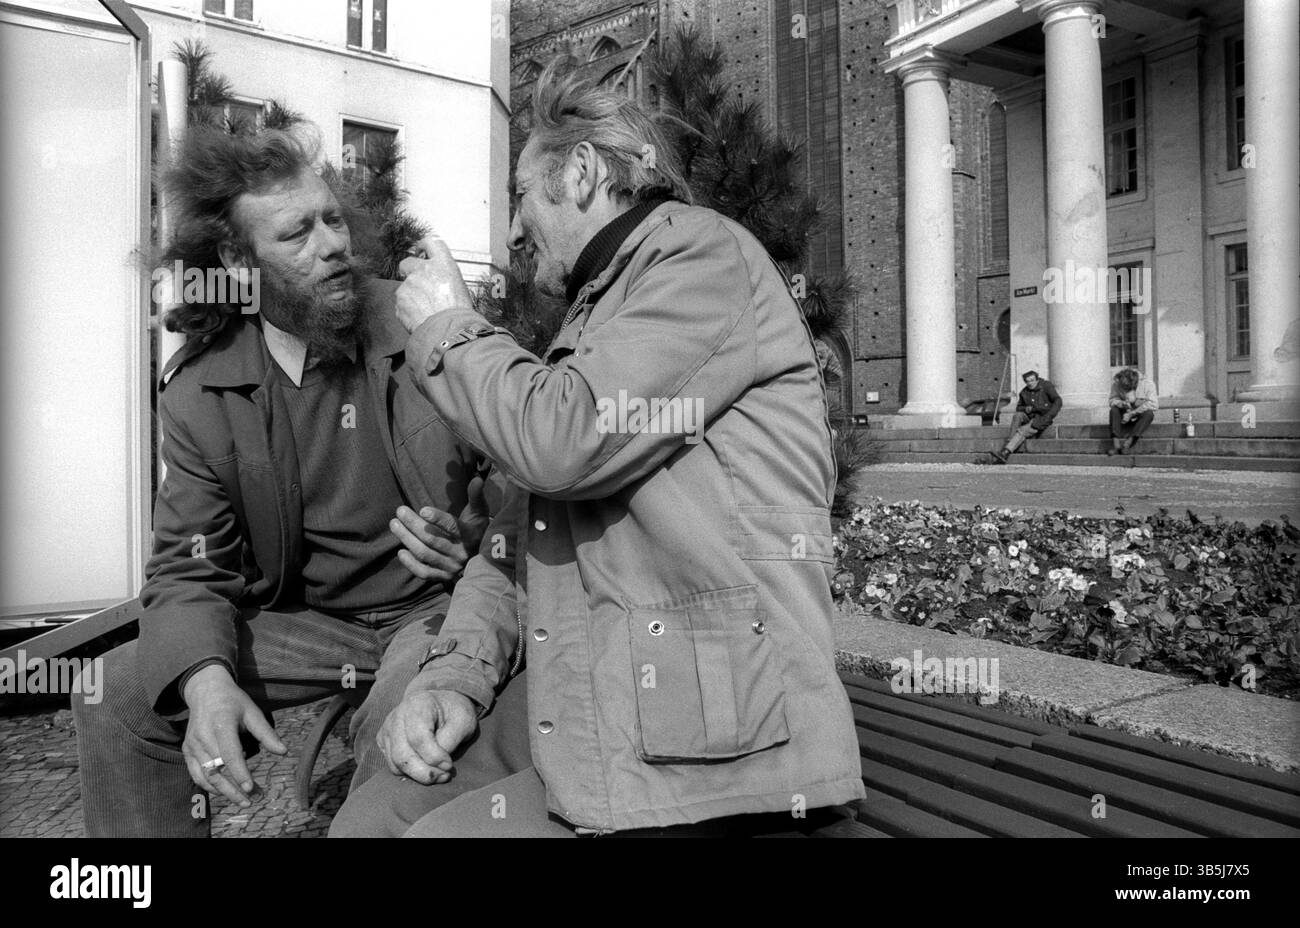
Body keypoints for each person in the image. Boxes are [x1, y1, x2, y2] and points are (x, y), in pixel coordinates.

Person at [339, 60, 866, 837]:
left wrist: (447, 327)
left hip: (716, 741)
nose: (513, 231)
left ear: (581, 172)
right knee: (372, 820)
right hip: (597, 686)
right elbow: (513, 541)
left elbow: (561, 441)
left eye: (520, 195)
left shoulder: (700, 260)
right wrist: (454, 677)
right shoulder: (597, 318)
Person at [71, 127, 529, 837]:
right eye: (296, 234)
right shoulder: (203, 389)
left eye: (333, 219)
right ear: (236, 259)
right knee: (118, 693)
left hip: (430, 612)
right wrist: (203, 677)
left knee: (406, 736)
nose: (331, 244)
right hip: (310, 625)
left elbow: (528, 488)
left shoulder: (425, 325)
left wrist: (473, 546)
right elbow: (188, 569)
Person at [991, 370, 1061, 463]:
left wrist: (1050, 416)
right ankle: (1010, 442)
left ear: (1037, 379)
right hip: (1030, 416)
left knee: (1023, 430)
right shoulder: (1024, 392)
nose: (1030, 383)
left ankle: (1005, 452)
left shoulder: (1046, 386)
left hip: (1042, 417)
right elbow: (1018, 408)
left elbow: (1058, 401)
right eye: (1027, 381)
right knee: (1017, 415)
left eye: (1032, 380)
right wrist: (1025, 408)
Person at [1108, 367, 1158, 454]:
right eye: (1121, 387)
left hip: (1138, 414)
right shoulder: (1117, 383)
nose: (1122, 389)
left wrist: (1132, 413)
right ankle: (1116, 445)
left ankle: (1127, 444)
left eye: (1125, 387)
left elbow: (1154, 404)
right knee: (1114, 410)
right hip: (1123, 413)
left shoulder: (1148, 384)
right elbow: (1112, 400)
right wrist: (1121, 403)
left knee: (1149, 414)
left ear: (1134, 384)